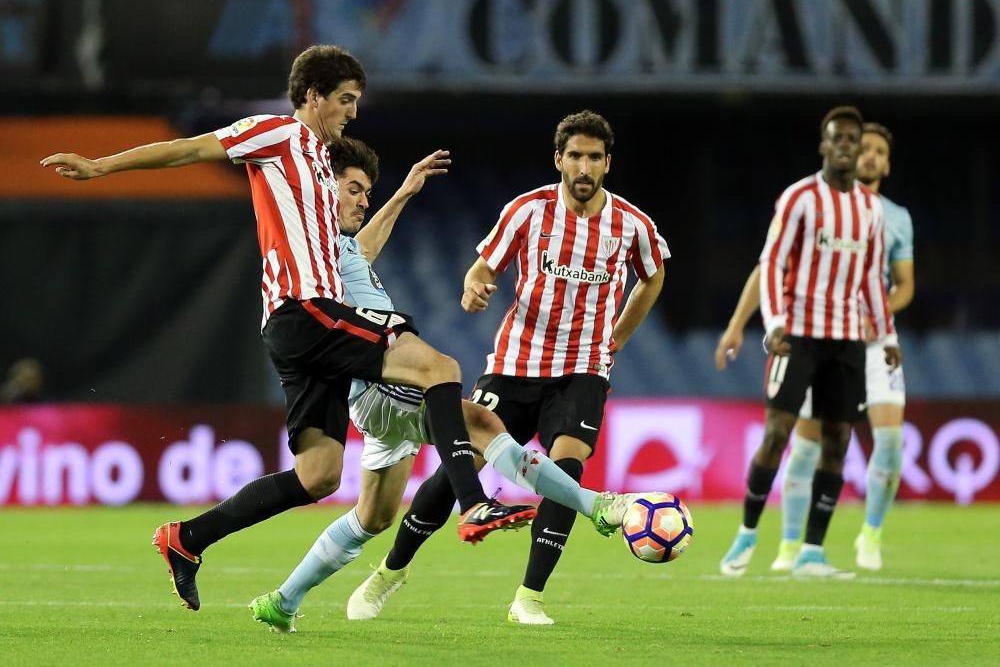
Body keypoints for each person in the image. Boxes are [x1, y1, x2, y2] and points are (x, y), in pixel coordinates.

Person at [40, 44, 533, 612]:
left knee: (320, 476)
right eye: (344, 100)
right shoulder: (276, 134)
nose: (351, 112)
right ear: (313, 96)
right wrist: (103, 166)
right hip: (304, 311)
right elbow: (191, 149)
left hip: (308, 323)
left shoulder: (323, 169)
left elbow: (351, 254)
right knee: (439, 368)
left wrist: (398, 196)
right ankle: (473, 503)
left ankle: (188, 539)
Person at [247, 137, 645, 633]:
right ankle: (588, 506)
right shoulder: (313, 253)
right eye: (355, 190)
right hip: (378, 381)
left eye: (366, 192)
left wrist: (402, 195)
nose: (362, 199)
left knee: (372, 516)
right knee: (477, 420)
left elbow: (358, 250)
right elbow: (340, 266)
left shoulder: (339, 248)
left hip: (374, 397)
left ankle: (284, 600)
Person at [346, 110, 670, 625]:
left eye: (594, 157)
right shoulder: (527, 211)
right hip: (515, 364)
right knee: (456, 475)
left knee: (566, 469)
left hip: (583, 369)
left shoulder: (633, 225)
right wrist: (474, 285)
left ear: (608, 163)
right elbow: (483, 266)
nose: (584, 167)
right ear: (558, 160)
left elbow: (652, 277)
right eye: (575, 157)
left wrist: (618, 339)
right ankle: (389, 571)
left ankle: (529, 597)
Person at [715, 122, 914, 572]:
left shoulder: (878, 212)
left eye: (859, 143)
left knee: (839, 439)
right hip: (800, 334)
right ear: (825, 145)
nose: (852, 150)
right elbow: (770, 262)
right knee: (779, 434)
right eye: (842, 140)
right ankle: (747, 535)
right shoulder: (799, 198)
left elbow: (871, 278)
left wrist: (882, 330)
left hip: (849, 339)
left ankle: (813, 550)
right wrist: (771, 322)